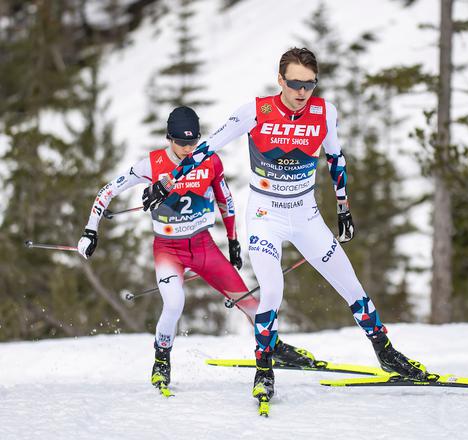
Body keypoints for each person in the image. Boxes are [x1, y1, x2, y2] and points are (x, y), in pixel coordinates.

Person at [141, 48, 427, 403]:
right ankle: (264, 371)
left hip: (306, 216)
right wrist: (167, 183)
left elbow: (336, 158)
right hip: (265, 217)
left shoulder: (325, 113)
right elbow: (205, 149)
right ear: (281, 80)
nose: (301, 92)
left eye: (309, 84)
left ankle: (387, 354)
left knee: (351, 285)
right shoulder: (256, 111)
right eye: (294, 84)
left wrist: (343, 209)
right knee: (272, 290)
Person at [77, 106, 316, 392]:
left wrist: (233, 241)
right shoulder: (151, 164)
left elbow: (225, 199)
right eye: (181, 143)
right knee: (175, 303)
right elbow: (106, 192)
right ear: (169, 138)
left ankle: (273, 347)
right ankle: (161, 362)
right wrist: (91, 230)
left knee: (252, 304)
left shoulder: (209, 160)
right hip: (168, 250)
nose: (188, 149)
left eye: (193, 142)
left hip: (204, 247)